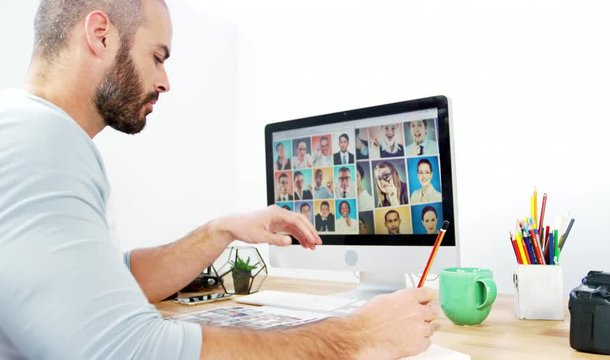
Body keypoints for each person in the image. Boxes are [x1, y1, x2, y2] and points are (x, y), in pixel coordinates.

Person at [0, 1, 436, 358]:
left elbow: (106, 285)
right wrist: (356, 337)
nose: (165, 82)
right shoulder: (42, 140)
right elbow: (124, 350)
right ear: (100, 35)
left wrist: (221, 230)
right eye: (157, 57)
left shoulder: (27, 132)